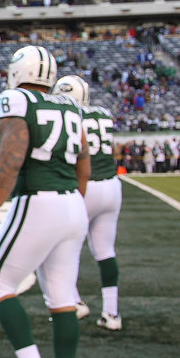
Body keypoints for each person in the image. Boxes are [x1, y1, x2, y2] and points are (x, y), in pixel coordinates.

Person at [0, 45, 89, 358]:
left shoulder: (15, 100)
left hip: (37, 200)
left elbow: (12, 154)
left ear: (16, 71)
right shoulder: (70, 105)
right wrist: (73, 203)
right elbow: (84, 162)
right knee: (62, 296)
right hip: (72, 201)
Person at [54, 74, 123, 331]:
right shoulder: (104, 113)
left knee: (62, 248)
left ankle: (74, 302)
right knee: (106, 252)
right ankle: (112, 313)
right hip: (112, 186)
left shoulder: (68, 114)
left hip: (84, 186)